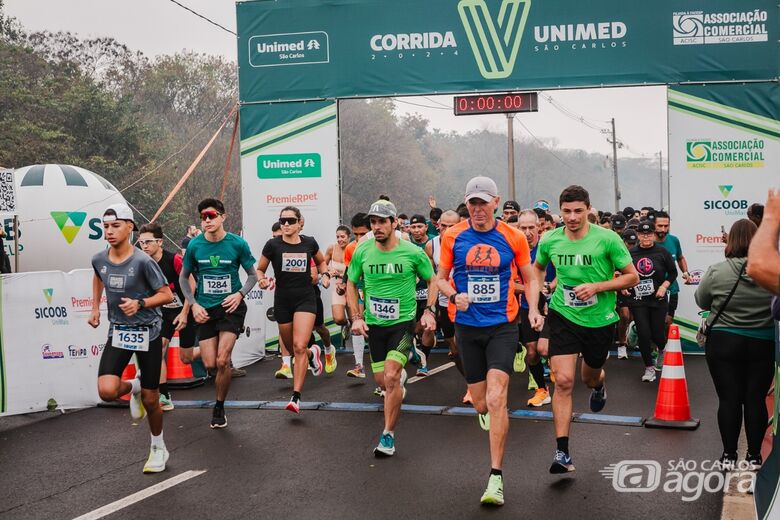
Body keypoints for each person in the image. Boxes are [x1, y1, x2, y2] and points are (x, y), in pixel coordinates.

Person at [437, 177, 543, 506]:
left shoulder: (512, 236)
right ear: (466, 204)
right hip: (467, 327)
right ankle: (483, 410)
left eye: (484, 202)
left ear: (496, 202)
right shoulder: (453, 236)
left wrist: (535, 309)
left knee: (498, 398)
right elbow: (439, 279)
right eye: (473, 203)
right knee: (482, 402)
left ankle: (495, 476)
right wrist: (454, 295)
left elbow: (530, 278)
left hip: (502, 326)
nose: (478, 209)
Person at [535, 185, 638, 474]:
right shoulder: (550, 239)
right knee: (564, 381)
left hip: (599, 320)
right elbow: (538, 267)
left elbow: (632, 277)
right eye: (566, 211)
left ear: (588, 210)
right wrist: (538, 295)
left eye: (578, 210)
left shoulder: (607, 239)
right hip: (563, 315)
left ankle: (599, 385)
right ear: (560, 211)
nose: (572, 216)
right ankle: (562, 453)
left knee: (588, 376)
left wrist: (598, 286)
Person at [347, 200, 437, 457]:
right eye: (373, 222)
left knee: (390, 376)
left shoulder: (412, 252)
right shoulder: (362, 252)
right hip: (375, 326)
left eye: (381, 222)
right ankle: (398, 384)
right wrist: (356, 316)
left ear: (394, 223)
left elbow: (432, 279)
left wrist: (429, 311)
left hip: (403, 324)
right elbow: (352, 284)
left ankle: (388, 435)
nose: (376, 227)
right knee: (383, 383)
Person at [89, 203, 174, 473]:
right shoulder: (99, 259)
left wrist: (140, 303)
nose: (110, 232)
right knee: (107, 390)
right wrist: (94, 308)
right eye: (105, 227)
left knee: (152, 400)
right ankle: (133, 387)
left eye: (115, 226)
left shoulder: (143, 261)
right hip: (119, 331)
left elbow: (166, 295)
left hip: (147, 332)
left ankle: (158, 447)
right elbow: (98, 277)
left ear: (130, 227)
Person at [695, 219, 775, 468]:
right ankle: (754, 456)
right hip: (763, 340)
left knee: (729, 399)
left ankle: (729, 456)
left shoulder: (718, 270)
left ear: (730, 242)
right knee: (755, 398)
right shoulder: (771, 270)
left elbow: (702, 301)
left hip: (724, 341)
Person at [179, 198, 257, 428]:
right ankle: (217, 380)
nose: (207, 220)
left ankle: (219, 407)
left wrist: (240, 294)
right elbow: (184, 277)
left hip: (230, 307)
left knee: (223, 361)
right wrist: (193, 304)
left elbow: (252, 275)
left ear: (223, 217)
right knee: (211, 364)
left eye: (211, 215)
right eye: (203, 217)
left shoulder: (237, 244)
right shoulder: (195, 246)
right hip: (205, 308)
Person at [257, 206, 329, 413]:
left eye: (290, 220)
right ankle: (312, 354)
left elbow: (321, 262)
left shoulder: (309, 242)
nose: (286, 224)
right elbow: (260, 269)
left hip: (305, 298)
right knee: (291, 346)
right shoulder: (273, 245)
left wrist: (325, 275)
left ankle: (296, 397)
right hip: (283, 299)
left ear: (300, 222)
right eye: (283, 221)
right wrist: (261, 280)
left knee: (298, 346)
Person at [137, 222, 198, 411]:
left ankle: (208, 349)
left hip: (185, 308)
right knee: (159, 348)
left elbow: (192, 285)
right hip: (162, 313)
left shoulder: (175, 260)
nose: (144, 246)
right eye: (141, 242)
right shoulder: (142, 263)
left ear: (160, 242)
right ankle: (164, 395)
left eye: (148, 242)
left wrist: (185, 312)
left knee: (186, 358)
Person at [625, 221, 677, 382]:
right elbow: (621, 271)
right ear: (638, 235)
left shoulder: (662, 252)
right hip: (639, 299)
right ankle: (649, 368)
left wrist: (664, 286)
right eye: (642, 234)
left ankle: (662, 349)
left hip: (658, 299)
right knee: (643, 333)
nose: (645, 237)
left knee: (657, 334)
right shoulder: (631, 253)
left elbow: (673, 273)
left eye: (648, 234)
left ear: (653, 235)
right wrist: (624, 286)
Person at [426, 210, 469, 402]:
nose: (448, 230)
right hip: (444, 303)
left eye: (452, 226)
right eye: (444, 226)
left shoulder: (467, 242)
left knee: (467, 345)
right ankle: (471, 382)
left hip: (464, 303)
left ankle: (475, 384)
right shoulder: (431, 246)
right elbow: (431, 277)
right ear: (438, 226)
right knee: (455, 348)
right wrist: (430, 305)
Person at [516, 210, 555, 407]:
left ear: (539, 227)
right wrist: (531, 289)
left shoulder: (547, 247)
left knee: (544, 348)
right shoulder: (514, 250)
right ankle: (542, 390)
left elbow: (563, 273)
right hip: (526, 305)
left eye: (531, 227)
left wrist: (550, 286)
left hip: (551, 304)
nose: (527, 231)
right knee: (531, 353)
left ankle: (557, 367)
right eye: (523, 227)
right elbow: (510, 282)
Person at [654, 211, 690, 329]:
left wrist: (685, 272)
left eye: (666, 226)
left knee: (667, 321)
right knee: (654, 324)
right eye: (660, 226)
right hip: (652, 290)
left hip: (672, 289)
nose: (663, 229)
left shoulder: (674, 240)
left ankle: (662, 347)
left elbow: (680, 258)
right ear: (653, 225)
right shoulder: (647, 243)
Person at [409, 214, 435, 375]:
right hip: (411, 295)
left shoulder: (433, 242)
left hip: (429, 293)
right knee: (415, 330)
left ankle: (423, 363)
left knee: (427, 328)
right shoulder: (406, 245)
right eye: (413, 227)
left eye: (420, 226)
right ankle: (417, 347)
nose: (417, 230)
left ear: (426, 227)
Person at [747, 188, 780, 294]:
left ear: (758, 217)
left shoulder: (773, 235)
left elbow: (755, 267)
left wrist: (771, 218)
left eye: (750, 217)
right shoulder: (753, 234)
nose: (748, 221)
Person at [615, 228, 638, 359]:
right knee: (624, 316)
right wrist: (621, 285)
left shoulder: (637, 252)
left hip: (636, 288)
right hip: (620, 287)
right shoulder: (617, 252)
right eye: (629, 243)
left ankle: (632, 340)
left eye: (633, 243)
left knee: (634, 317)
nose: (631, 246)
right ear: (623, 242)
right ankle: (622, 345)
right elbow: (612, 273)